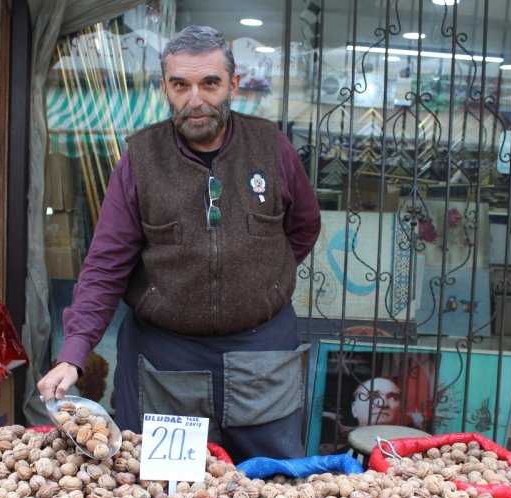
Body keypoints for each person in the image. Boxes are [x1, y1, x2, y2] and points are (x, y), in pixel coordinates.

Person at [37, 25, 321, 463]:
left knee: (273, 484)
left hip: (261, 354)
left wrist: (262, 282)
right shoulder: (140, 160)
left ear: (234, 84)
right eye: (181, 85)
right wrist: (73, 355)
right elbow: (106, 266)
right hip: (165, 359)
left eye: (210, 83)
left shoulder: (271, 148)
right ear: (164, 88)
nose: (195, 99)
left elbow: (304, 227)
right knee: (163, 490)